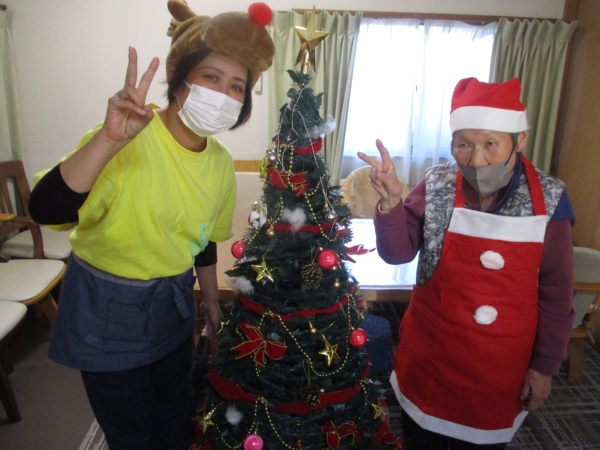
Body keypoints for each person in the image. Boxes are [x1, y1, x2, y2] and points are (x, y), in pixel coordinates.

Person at [28, 2, 275, 449]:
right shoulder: (127, 137)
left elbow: (203, 242)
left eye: (237, 86)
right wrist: (107, 141)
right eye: (211, 77)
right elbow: (45, 209)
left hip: (171, 303)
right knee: (131, 428)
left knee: (175, 410)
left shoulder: (220, 163)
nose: (224, 94)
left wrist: (211, 303)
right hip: (106, 307)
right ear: (178, 76)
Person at [358, 77, 575, 449]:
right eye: (463, 144)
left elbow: (557, 293)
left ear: (520, 140)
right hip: (430, 357)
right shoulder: (437, 184)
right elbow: (397, 254)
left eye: (490, 144)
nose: (476, 160)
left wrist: (544, 366)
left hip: (500, 367)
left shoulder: (550, 201)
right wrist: (392, 204)